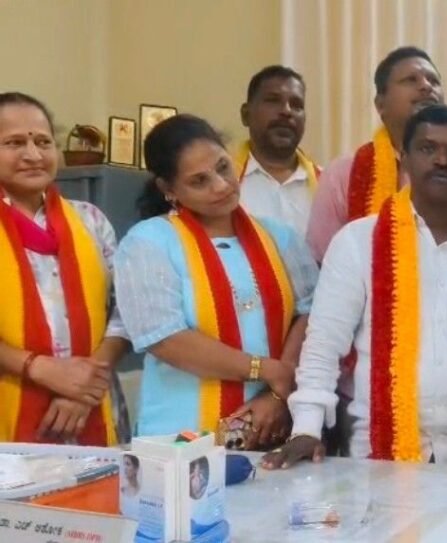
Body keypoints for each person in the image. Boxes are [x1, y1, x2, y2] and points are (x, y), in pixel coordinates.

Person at [261, 105, 447, 469]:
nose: (442, 160)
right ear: (404, 157)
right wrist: (307, 428)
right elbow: (324, 342)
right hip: (378, 456)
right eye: (428, 148)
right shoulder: (359, 242)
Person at [114, 114, 318, 446]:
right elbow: (166, 339)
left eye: (223, 167)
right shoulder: (148, 242)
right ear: (168, 190)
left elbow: (310, 313)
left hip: (274, 422)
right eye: (199, 181)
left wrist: (277, 394)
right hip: (182, 434)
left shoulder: (280, 237)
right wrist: (266, 370)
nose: (221, 185)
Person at [0, 92, 130, 445]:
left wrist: (84, 386)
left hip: (94, 403)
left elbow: (127, 310)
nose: (33, 155)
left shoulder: (90, 220)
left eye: (43, 142)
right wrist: (38, 368)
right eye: (14, 143)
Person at [306, 46, 447, 262]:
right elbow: (324, 259)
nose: (426, 86)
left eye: (434, 81)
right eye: (411, 80)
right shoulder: (343, 173)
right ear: (381, 105)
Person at [236, 65, 320, 239]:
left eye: (297, 105)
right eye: (273, 101)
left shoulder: (327, 185)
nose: (286, 111)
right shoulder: (223, 185)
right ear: (246, 114)